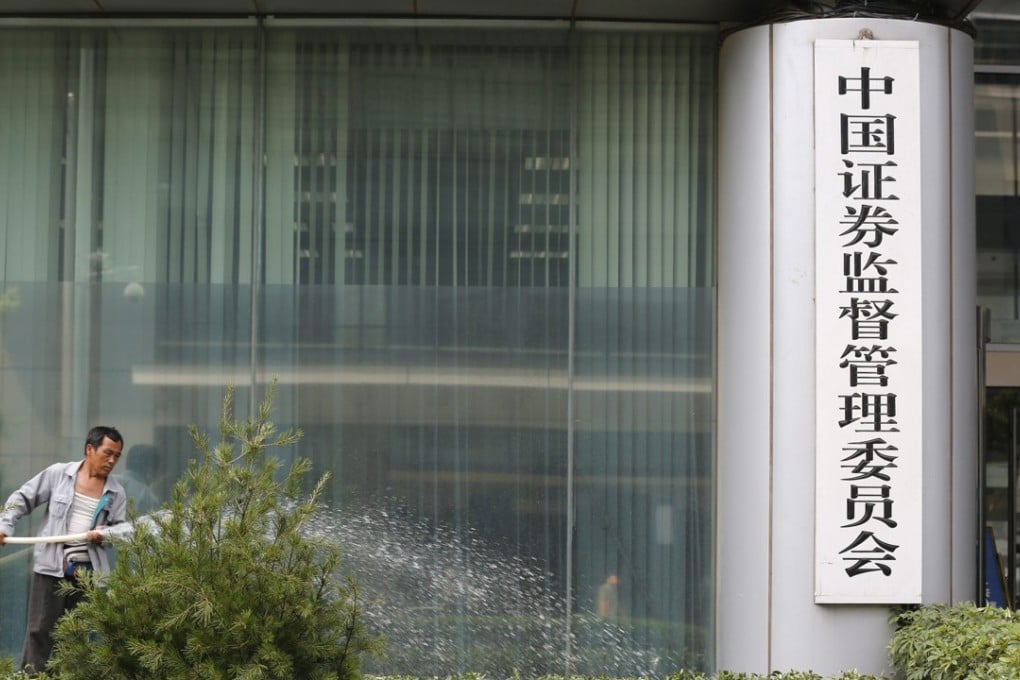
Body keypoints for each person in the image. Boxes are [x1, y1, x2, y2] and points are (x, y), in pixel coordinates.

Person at [0, 425, 131, 673]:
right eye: (107, 453)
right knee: (40, 630)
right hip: (52, 567)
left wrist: (104, 535)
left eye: (117, 456)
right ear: (89, 449)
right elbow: (21, 498)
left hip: (89, 574)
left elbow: (121, 531)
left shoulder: (116, 492)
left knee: (77, 636)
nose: (112, 460)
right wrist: (4, 526)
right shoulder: (59, 474)